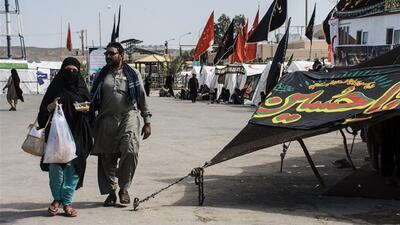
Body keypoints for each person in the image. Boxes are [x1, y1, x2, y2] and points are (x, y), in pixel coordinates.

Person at [90, 42, 151, 206]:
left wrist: (147, 121)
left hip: (128, 116)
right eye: (106, 54)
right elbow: (92, 98)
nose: (108, 56)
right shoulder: (101, 75)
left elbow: (142, 97)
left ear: (121, 55)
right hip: (105, 119)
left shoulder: (133, 74)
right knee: (107, 158)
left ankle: (124, 187)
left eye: (111, 53)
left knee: (131, 150)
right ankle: (111, 192)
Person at [37, 57, 93, 217]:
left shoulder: (81, 88)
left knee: (73, 169)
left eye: (74, 71)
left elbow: (91, 108)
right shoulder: (55, 88)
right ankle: (56, 199)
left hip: (78, 135)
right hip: (57, 136)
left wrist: (82, 107)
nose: (71, 73)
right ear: (62, 71)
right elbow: (42, 112)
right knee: (55, 169)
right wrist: (51, 106)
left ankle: (67, 202)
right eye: (68, 70)